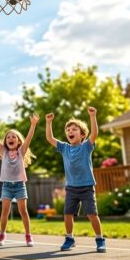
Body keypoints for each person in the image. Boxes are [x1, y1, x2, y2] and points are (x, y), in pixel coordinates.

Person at [45, 106, 106, 252]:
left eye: (74, 130)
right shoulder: (65, 148)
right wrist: (48, 123)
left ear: (82, 134)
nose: (70, 132)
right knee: (67, 214)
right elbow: (49, 138)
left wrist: (93, 116)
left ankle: (100, 239)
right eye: (68, 130)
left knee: (92, 214)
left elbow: (95, 133)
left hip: (87, 187)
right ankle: (70, 238)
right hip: (71, 188)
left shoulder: (86, 146)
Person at [0, 113, 38, 247]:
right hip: (7, 186)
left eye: (14, 137)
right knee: (5, 212)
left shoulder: (21, 151)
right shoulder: (3, 152)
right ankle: (2, 234)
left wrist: (33, 124)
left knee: (23, 212)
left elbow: (29, 138)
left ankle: (28, 235)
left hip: (20, 186)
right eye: (8, 137)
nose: (11, 138)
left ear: (18, 141)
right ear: (6, 141)